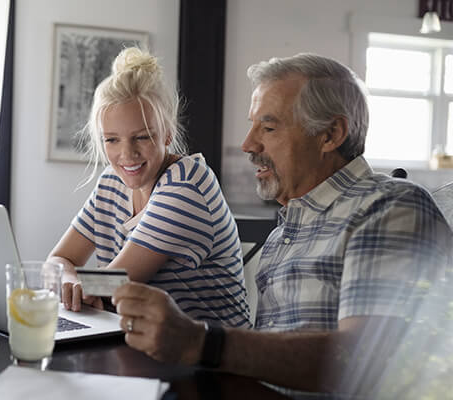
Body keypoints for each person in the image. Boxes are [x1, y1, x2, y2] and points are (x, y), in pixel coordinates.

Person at [111, 53, 453, 393]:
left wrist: (202, 342)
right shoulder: (285, 231)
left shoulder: (388, 205)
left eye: (269, 127)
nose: (248, 144)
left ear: (330, 134)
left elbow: (365, 358)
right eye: (252, 124)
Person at [47, 47, 251, 328]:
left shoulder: (186, 186)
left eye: (141, 137)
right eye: (111, 140)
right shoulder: (110, 183)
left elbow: (112, 284)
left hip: (210, 359)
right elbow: (58, 260)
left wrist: (80, 284)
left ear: (167, 133)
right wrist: (68, 279)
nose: (126, 154)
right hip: (140, 343)